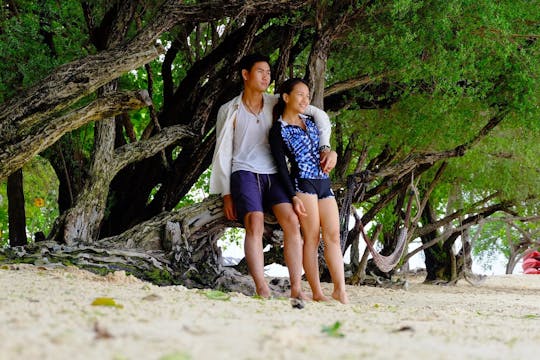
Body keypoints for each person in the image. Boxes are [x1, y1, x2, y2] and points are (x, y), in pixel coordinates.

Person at [209, 54, 337, 299]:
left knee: (293, 222)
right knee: (254, 222)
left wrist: (325, 146)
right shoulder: (229, 110)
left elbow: (319, 116)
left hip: (274, 173)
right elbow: (223, 151)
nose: (266, 77)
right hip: (244, 171)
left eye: (268, 72)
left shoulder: (275, 102)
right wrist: (226, 193)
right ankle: (262, 288)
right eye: (260, 72)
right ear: (245, 75)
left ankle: (296, 289)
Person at [269, 78, 348, 304]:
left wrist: (332, 154)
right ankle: (317, 292)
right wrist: (292, 197)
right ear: (286, 97)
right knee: (311, 238)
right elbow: (281, 167)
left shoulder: (311, 120)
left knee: (333, 235)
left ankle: (340, 290)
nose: (305, 99)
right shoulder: (278, 129)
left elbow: (325, 142)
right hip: (302, 183)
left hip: (324, 182)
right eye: (300, 95)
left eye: (307, 95)